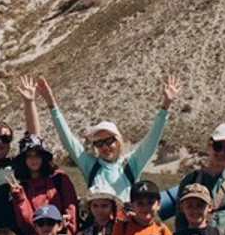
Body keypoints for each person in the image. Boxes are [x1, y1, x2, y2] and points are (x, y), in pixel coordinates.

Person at [35, 73, 180, 197]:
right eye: (99, 143)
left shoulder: (131, 164)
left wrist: (165, 106)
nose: (104, 147)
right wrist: (52, 105)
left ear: (117, 141)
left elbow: (151, 140)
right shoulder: (91, 165)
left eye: (109, 140)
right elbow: (68, 141)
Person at [10, 134, 79, 235]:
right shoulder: (21, 187)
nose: (34, 159)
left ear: (44, 157)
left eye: (37, 155)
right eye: (29, 156)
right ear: (23, 160)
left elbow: (71, 209)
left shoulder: (59, 179)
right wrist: (19, 197)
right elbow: (26, 224)